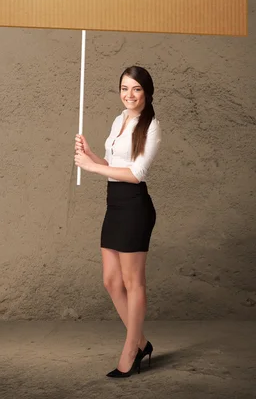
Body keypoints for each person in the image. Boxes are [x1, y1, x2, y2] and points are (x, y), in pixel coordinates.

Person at [74, 65, 161, 378]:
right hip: (114, 206)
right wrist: (91, 155)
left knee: (132, 282)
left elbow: (136, 174)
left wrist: (92, 168)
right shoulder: (118, 120)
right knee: (111, 280)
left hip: (135, 208)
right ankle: (141, 342)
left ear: (146, 93)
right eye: (125, 88)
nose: (129, 95)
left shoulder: (151, 126)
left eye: (136, 89)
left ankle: (131, 349)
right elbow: (113, 165)